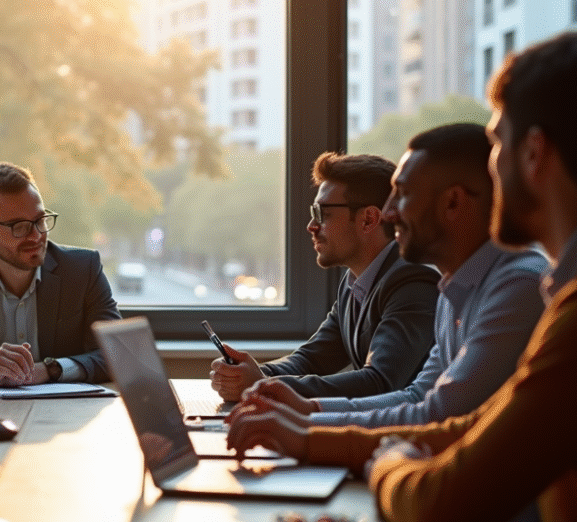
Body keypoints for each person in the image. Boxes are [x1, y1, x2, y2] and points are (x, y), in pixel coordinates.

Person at [229, 30, 577, 522]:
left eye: (497, 145)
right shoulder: (576, 290)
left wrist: (386, 460)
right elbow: (467, 426)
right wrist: (315, 435)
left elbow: (442, 502)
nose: (492, 168)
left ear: (535, 153)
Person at [229, 123, 547, 431]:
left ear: (452, 202)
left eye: (404, 194)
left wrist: (304, 430)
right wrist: (307, 411)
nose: (390, 213)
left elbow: (436, 413)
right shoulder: (455, 289)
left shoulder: (518, 288)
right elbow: (417, 398)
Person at [210, 152, 439, 401]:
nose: (311, 226)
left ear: (368, 219)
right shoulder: (355, 283)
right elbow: (311, 359)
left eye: (322, 213)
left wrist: (263, 385)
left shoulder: (413, 284)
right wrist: (249, 374)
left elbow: (380, 382)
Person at [0, 162, 121, 388]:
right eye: (18, 226)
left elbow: (117, 354)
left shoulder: (82, 269)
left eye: (40, 220)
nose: (36, 235)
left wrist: (50, 369)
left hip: (64, 415)